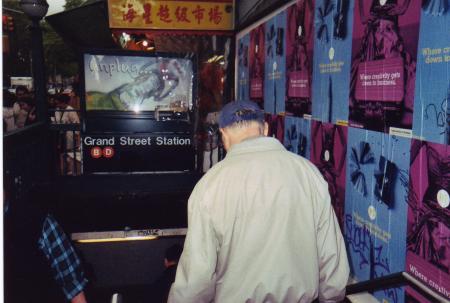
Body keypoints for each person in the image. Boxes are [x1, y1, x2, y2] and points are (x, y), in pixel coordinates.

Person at [168, 100, 349, 303]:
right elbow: (331, 256)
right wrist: (331, 297)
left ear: (224, 135)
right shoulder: (308, 173)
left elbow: (196, 278)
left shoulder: (210, 185)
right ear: (265, 129)